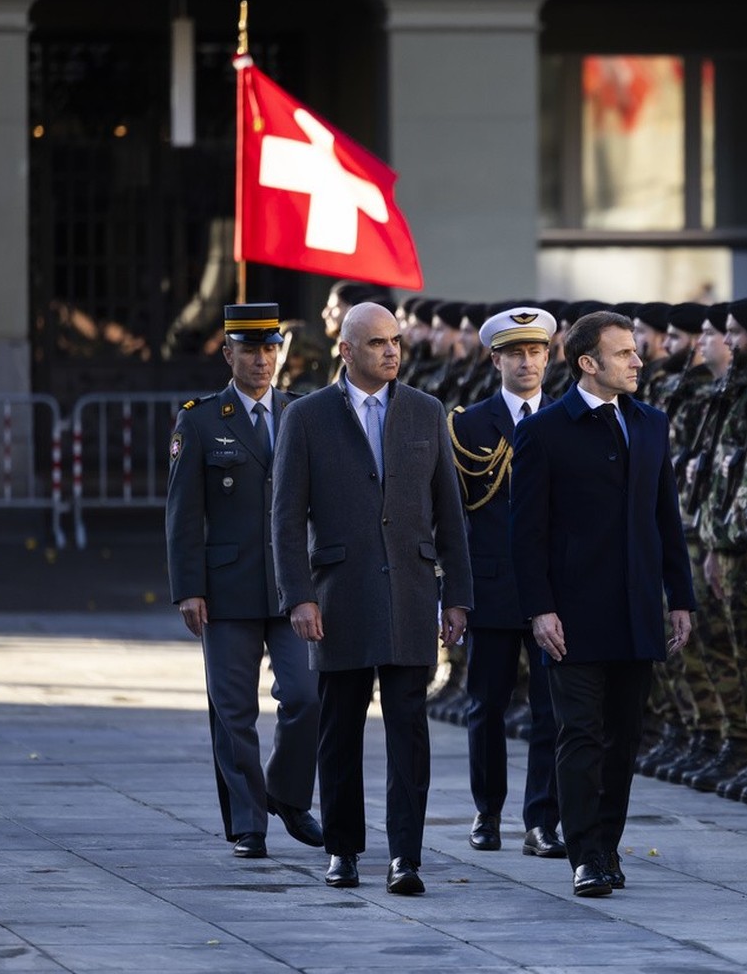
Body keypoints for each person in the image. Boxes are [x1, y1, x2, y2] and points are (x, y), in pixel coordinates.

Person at [272, 301, 473, 896]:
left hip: (412, 593)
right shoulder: (306, 417)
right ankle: (343, 850)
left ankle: (405, 858)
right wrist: (298, 597)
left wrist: (457, 595)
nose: (391, 352)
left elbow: (449, 514)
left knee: (409, 729)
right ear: (346, 349)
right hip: (339, 596)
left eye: (396, 342)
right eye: (378, 342)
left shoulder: (425, 411)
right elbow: (285, 520)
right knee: (340, 729)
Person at [509, 310, 696, 898]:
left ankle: (608, 847)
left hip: (637, 609)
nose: (637, 361)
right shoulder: (545, 431)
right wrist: (540, 609)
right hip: (573, 614)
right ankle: (584, 854)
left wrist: (680, 598)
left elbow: (666, 517)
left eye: (636, 351)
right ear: (588, 363)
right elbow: (527, 531)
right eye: (624, 354)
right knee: (580, 735)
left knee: (623, 736)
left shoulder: (649, 424)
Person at [165, 302, 322, 860]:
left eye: (270, 348)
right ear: (228, 353)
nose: (262, 360)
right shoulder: (202, 419)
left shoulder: (303, 413)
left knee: (306, 696)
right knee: (233, 712)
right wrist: (188, 586)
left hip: (291, 588)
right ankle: (247, 821)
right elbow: (183, 513)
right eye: (250, 349)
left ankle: (286, 792)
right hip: (226, 588)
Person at [449, 306, 564, 859]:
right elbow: (453, 516)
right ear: (496, 359)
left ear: (549, 356)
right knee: (485, 706)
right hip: (491, 587)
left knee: (552, 708)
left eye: (536, 351)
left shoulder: (567, 418)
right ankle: (487, 811)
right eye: (515, 353)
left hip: (553, 590)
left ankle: (542, 820)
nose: (527, 362)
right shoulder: (469, 424)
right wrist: (455, 592)